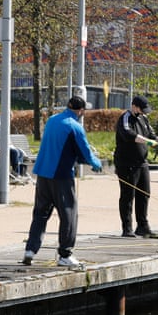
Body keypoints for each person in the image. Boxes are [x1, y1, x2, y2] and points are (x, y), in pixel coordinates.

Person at [23, 96, 103, 268]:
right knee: (69, 214)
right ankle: (65, 254)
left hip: (42, 174)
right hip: (61, 175)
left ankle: (30, 250)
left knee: (40, 213)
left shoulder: (52, 120)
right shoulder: (75, 126)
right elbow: (86, 152)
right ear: (80, 111)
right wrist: (96, 164)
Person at [114, 95, 157, 238]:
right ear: (134, 107)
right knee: (127, 195)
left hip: (142, 162)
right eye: (142, 109)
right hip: (127, 164)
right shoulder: (125, 118)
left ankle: (142, 226)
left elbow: (151, 134)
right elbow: (128, 134)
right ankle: (127, 228)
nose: (144, 112)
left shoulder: (143, 118)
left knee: (144, 194)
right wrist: (147, 141)